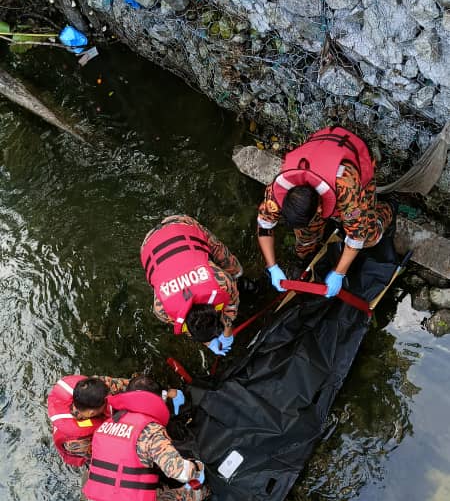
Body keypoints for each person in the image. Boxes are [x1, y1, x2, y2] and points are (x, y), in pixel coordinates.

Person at [257, 126, 394, 298]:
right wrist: (272, 267)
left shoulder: (345, 186)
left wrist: (339, 273)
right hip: (320, 153)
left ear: (320, 208)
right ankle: (308, 255)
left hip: (353, 165)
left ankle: (387, 210)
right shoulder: (279, 190)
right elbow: (264, 226)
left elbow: (357, 236)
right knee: (304, 238)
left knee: (369, 237)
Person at [83, 373, 209, 501]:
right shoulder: (150, 431)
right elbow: (181, 472)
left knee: (159, 486)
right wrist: (198, 468)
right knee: (200, 489)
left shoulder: (107, 425)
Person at [140, 214, 244, 355]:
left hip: (167, 234)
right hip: (159, 238)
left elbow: (231, 305)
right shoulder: (161, 309)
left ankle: (239, 276)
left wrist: (227, 332)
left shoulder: (221, 281)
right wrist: (208, 341)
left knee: (234, 270)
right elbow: (189, 326)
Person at [47, 374, 130, 467]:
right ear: (91, 413)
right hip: (83, 449)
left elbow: (129, 385)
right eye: (106, 402)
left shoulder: (98, 385)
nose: (108, 401)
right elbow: (101, 454)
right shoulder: (76, 443)